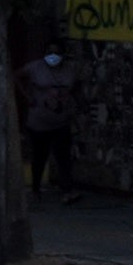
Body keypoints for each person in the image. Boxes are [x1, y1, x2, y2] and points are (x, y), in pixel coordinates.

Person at [17, 43, 80, 199]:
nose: (53, 56)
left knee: (63, 156)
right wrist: (27, 97)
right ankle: (36, 188)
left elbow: (73, 89)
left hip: (61, 121)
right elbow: (16, 76)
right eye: (50, 52)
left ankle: (67, 189)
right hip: (39, 122)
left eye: (56, 52)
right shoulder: (35, 68)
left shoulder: (69, 70)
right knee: (39, 156)